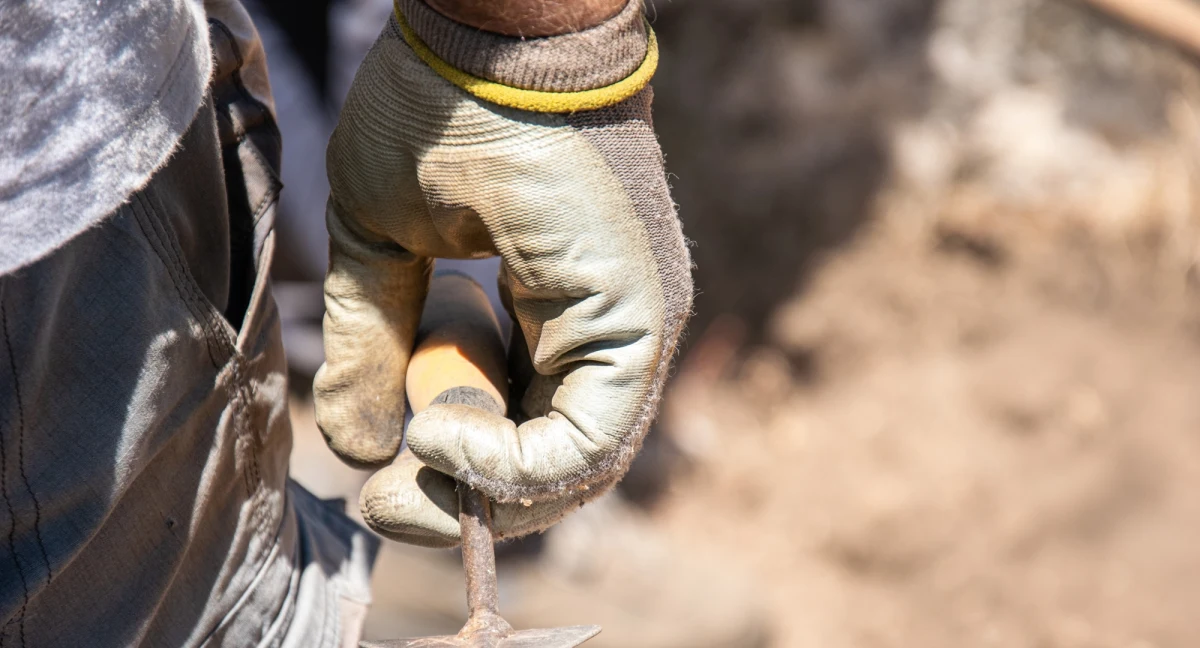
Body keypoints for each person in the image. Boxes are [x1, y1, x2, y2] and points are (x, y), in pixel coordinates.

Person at [0, 0, 689, 646]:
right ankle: (451, 557)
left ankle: (447, 554)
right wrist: (530, 47)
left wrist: (509, 47)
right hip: (60, 200)